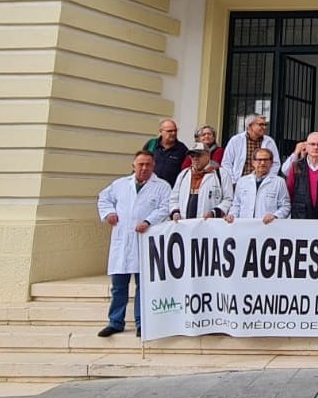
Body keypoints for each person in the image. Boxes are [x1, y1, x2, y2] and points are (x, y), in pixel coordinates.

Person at [96, 150, 170, 338]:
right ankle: (115, 321)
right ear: (133, 165)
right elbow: (103, 199)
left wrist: (148, 222)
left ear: (153, 166)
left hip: (145, 240)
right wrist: (109, 213)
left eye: (148, 165)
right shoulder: (120, 185)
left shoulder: (161, 186)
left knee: (143, 286)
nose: (144, 168)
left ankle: (141, 322)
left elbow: (165, 208)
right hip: (123, 240)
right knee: (119, 286)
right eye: (140, 164)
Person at [281, 132, 318, 219]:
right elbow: (289, 191)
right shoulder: (296, 166)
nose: (316, 147)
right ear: (307, 146)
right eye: (312, 144)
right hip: (300, 215)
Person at [225, 148, 290, 223]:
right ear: (253, 162)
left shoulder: (279, 182)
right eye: (259, 160)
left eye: (266, 160)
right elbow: (236, 205)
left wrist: (275, 216)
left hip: (268, 227)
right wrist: (232, 215)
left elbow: (285, 206)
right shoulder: (242, 181)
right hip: (244, 227)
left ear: (271, 163)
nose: (262, 163)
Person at [170, 143, 232, 221]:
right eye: (192, 156)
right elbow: (174, 198)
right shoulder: (183, 174)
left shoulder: (221, 174)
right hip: (184, 226)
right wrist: (175, 212)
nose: (195, 158)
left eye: (198, 155)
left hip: (210, 225)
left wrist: (214, 213)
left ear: (208, 155)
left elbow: (228, 199)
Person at [222, 114, 280, 185]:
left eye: (265, 125)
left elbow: (275, 163)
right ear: (250, 126)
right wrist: (233, 182)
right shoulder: (235, 140)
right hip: (239, 183)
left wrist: (268, 180)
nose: (264, 127)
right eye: (261, 124)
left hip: (262, 183)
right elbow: (226, 163)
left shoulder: (269, 141)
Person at [143, 118, 188, 187]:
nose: (173, 133)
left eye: (175, 130)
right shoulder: (151, 145)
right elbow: (140, 162)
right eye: (169, 131)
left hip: (170, 190)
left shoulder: (182, 149)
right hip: (149, 188)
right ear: (161, 131)